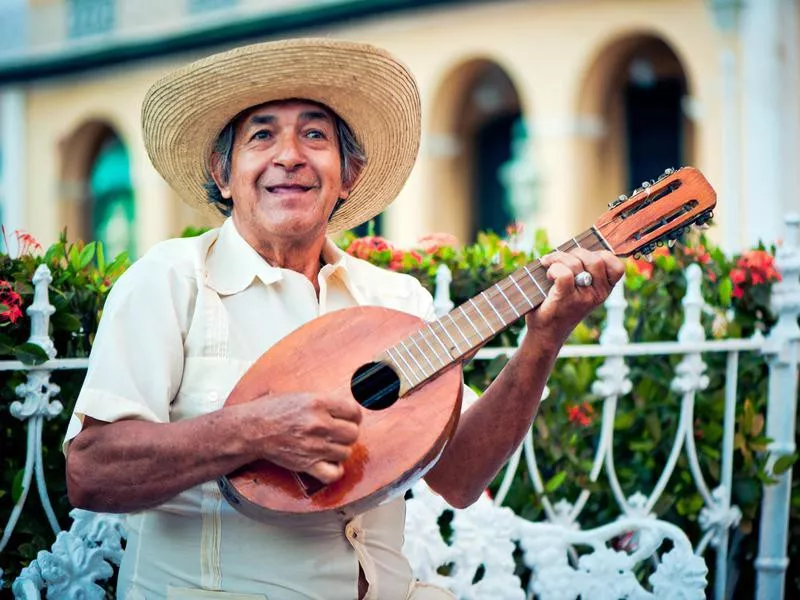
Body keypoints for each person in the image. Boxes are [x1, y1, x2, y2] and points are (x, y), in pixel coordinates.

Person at [64, 38, 624, 600]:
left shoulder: (395, 300)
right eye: (261, 136)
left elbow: (457, 479)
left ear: (347, 174)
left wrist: (544, 340)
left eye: (315, 135)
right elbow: (91, 473)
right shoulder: (172, 279)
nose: (290, 156)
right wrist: (254, 430)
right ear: (223, 172)